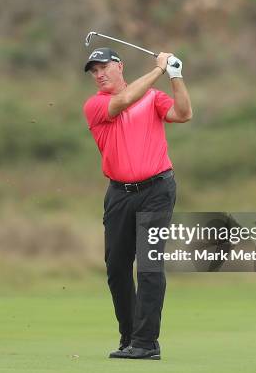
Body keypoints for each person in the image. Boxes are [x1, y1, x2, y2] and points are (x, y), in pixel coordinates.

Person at [82, 47, 193, 360]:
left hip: (157, 190)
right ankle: (130, 337)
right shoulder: (96, 105)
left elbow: (184, 114)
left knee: (148, 267)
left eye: (103, 67)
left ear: (119, 66)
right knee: (117, 268)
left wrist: (175, 75)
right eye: (93, 71)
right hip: (118, 194)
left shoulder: (153, 97)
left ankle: (146, 343)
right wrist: (158, 69)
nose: (99, 75)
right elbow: (124, 101)